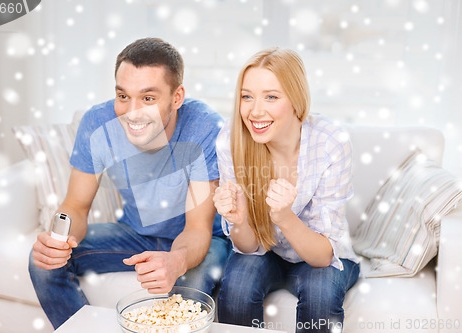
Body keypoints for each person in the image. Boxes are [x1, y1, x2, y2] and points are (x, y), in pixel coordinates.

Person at [29, 37, 230, 329]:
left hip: (203, 240)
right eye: (123, 96)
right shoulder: (98, 124)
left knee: (190, 290)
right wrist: (58, 241)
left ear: (177, 97)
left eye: (148, 98)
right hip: (136, 233)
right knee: (43, 264)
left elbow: (197, 228)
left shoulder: (205, 128)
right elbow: (76, 205)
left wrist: (176, 260)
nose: (132, 111)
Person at [213, 47, 360, 333]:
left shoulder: (330, 142)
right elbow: (248, 247)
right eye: (247, 96)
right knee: (238, 289)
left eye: (271, 96)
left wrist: (284, 216)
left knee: (321, 294)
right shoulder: (231, 140)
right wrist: (239, 219)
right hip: (265, 252)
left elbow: (322, 258)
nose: (255, 111)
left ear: (296, 100)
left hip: (318, 253)